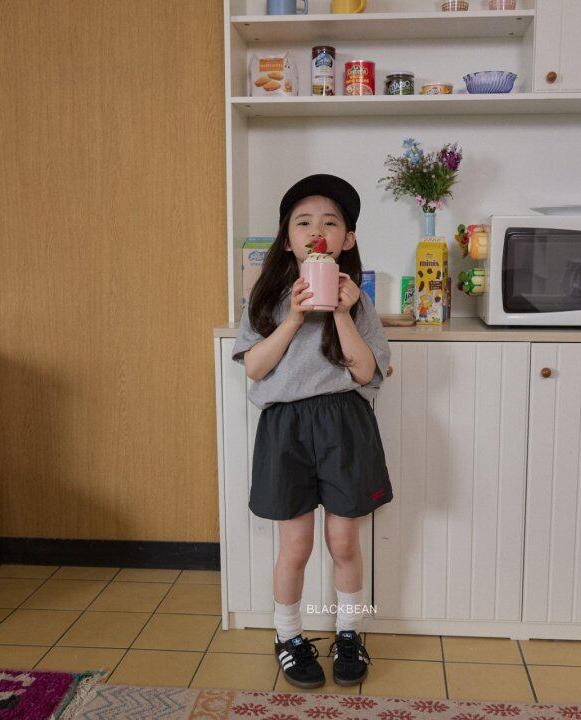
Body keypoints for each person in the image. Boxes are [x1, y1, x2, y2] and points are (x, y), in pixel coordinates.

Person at [231, 174, 393, 690]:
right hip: (286, 428)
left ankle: (349, 632)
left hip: (345, 422)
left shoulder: (357, 302)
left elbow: (364, 372)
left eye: (330, 222)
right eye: (303, 222)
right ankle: (288, 636)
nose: (316, 231)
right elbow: (254, 368)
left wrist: (342, 312)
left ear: (347, 239)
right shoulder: (266, 298)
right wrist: (294, 318)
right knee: (295, 547)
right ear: (288, 239)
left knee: (344, 541)